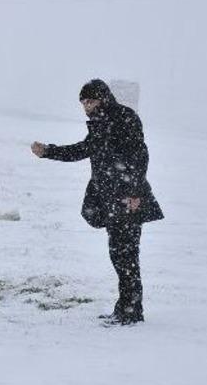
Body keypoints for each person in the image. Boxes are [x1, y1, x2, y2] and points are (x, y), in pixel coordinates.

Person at [31, 79, 163, 325]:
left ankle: (131, 312)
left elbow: (140, 154)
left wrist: (134, 193)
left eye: (89, 101)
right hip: (111, 198)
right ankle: (125, 308)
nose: (85, 107)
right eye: (83, 103)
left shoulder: (125, 117)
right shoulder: (101, 124)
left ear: (102, 99)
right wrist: (49, 151)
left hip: (127, 198)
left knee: (126, 256)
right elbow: (83, 150)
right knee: (119, 255)